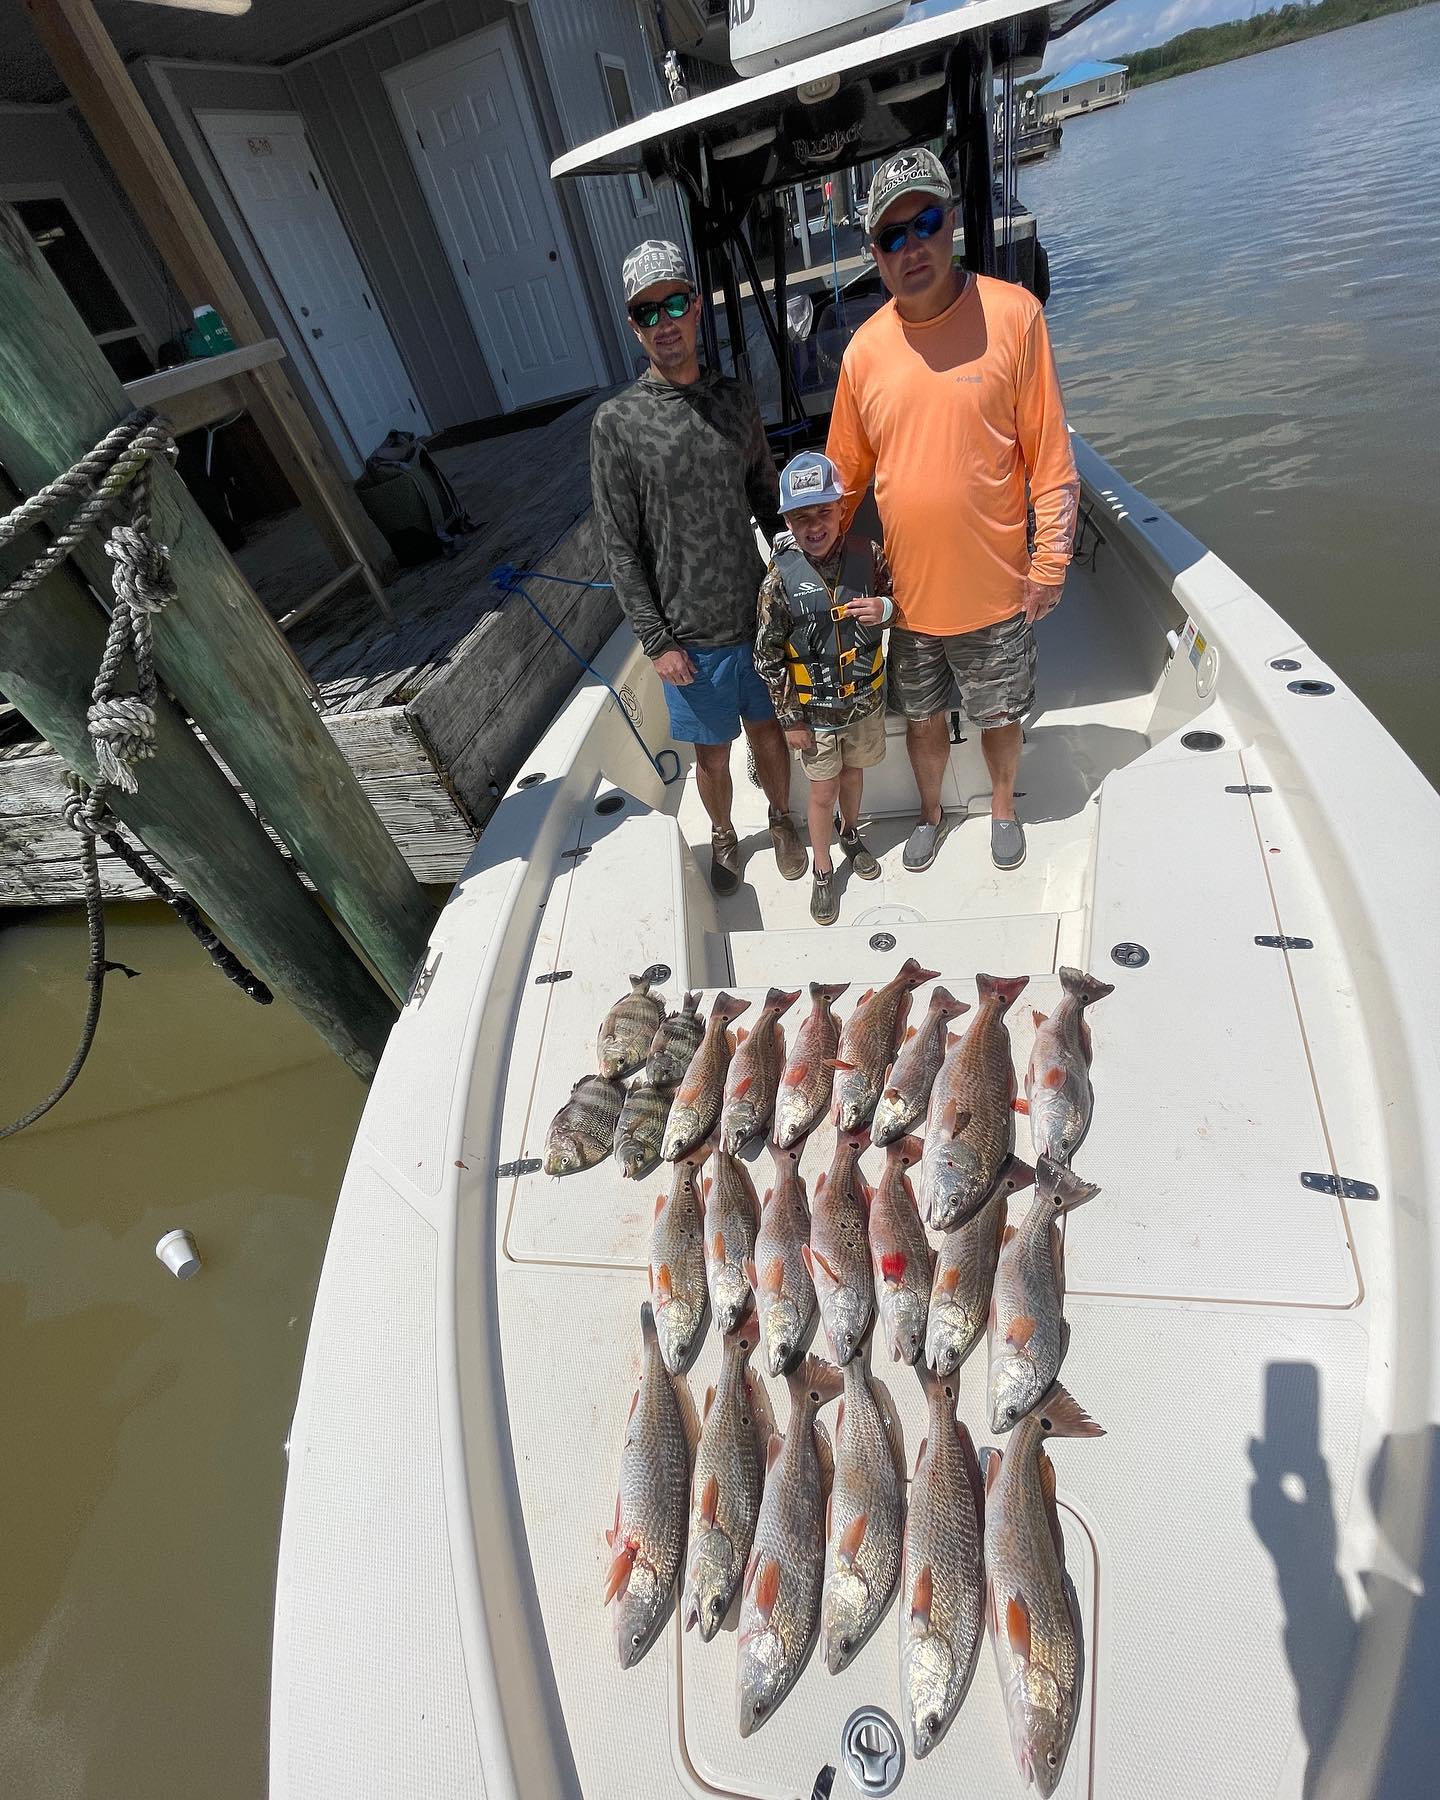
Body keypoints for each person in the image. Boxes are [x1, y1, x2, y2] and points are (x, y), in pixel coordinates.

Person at [826, 147, 1080, 873]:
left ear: (954, 223)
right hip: (909, 599)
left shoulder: (1016, 314)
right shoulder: (863, 355)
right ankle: (933, 815)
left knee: (1001, 713)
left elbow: (1051, 461)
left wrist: (1051, 562)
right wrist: (817, 574)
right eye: (891, 237)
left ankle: (1003, 805)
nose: (912, 248)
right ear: (875, 253)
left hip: (1000, 591)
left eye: (925, 223)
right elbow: (841, 484)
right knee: (924, 719)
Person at [590, 238, 806, 895]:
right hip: (688, 638)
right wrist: (656, 642)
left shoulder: (735, 400)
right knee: (710, 756)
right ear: (634, 324)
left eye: (675, 303)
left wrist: (797, 570)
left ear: (697, 309)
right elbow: (619, 544)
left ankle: (780, 816)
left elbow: (768, 500)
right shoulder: (616, 423)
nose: (665, 322)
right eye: (648, 311)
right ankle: (723, 833)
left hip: (755, 618)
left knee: (768, 733)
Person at [754, 452, 894, 925]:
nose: (813, 526)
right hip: (814, 718)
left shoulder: (869, 556)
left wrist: (887, 609)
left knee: (854, 777)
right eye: (800, 517)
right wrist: (791, 720)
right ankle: (822, 866)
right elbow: (766, 656)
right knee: (821, 791)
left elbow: (902, 597)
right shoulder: (777, 582)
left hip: (863, 702)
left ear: (841, 509)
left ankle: (850, 833)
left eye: (823, 512)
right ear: (788, 521)